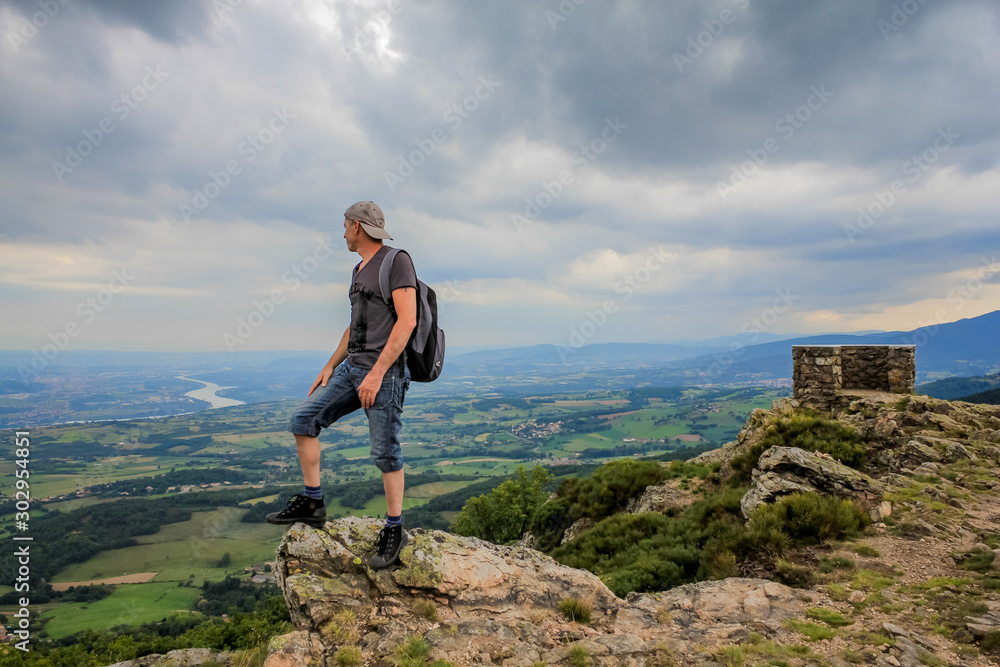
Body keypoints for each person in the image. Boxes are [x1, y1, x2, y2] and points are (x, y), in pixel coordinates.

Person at [266, 201, 417, 569]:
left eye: (345, 226)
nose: (343, 232)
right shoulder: (358, 269)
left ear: (356, 226)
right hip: (352, 368)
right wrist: (331, 365)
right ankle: (313, 502)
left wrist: (377, 373)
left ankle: (395, 529)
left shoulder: (397, 261)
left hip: (385, 373)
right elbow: (355, 326)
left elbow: (407, 321)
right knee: (303, 419)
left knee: (386, 453)